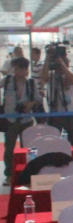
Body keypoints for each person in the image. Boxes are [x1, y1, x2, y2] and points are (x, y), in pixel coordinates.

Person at [2, 57, 42, 186]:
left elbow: (38, 99)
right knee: (9, 149)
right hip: (10, 120)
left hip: (26, 120)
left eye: (21, 68)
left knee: (29, 148)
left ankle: (28, 174)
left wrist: (31, 104)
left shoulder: (31, 83)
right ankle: (9, 175)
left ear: (26, 70)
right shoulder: (7, 80)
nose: (17, 71)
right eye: (15, 68)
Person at [42, 45, 73, 143]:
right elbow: (44, 77)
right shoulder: (52, 75)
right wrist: (47, 58)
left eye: (65, 62)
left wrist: (62, 65)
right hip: (55, 112)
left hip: (70, 112)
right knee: (53, 141)